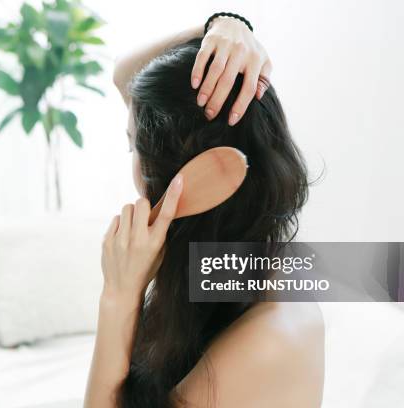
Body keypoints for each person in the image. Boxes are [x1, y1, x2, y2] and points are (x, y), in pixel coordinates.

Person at [84, 14, 325, 408]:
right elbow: (123, 75)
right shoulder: (227, 270)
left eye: (134, 148)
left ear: (187, 181)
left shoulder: (265, 340)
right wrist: (221, 28)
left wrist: (118, 297)